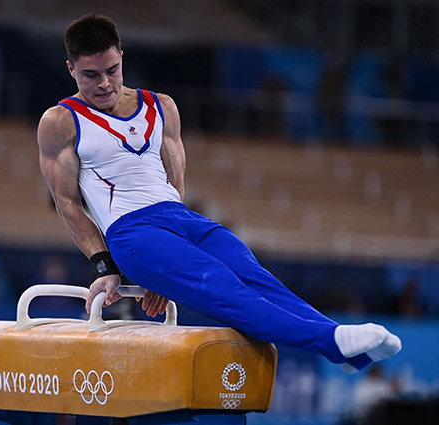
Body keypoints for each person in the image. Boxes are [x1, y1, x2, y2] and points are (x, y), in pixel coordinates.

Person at [36, 13, 401, 374]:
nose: (104, 83)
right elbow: (67, 203)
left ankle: (344, 348)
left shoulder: (161, 106)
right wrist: (107, 266)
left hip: (181, 220)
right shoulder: (61, 122)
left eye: (112, 70)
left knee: (255, 277)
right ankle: (332, 341)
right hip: (133, 234)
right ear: (71, 69)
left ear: (121, 56)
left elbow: (174, 184)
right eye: (90, 75)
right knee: (223, 287)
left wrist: (162, 273)